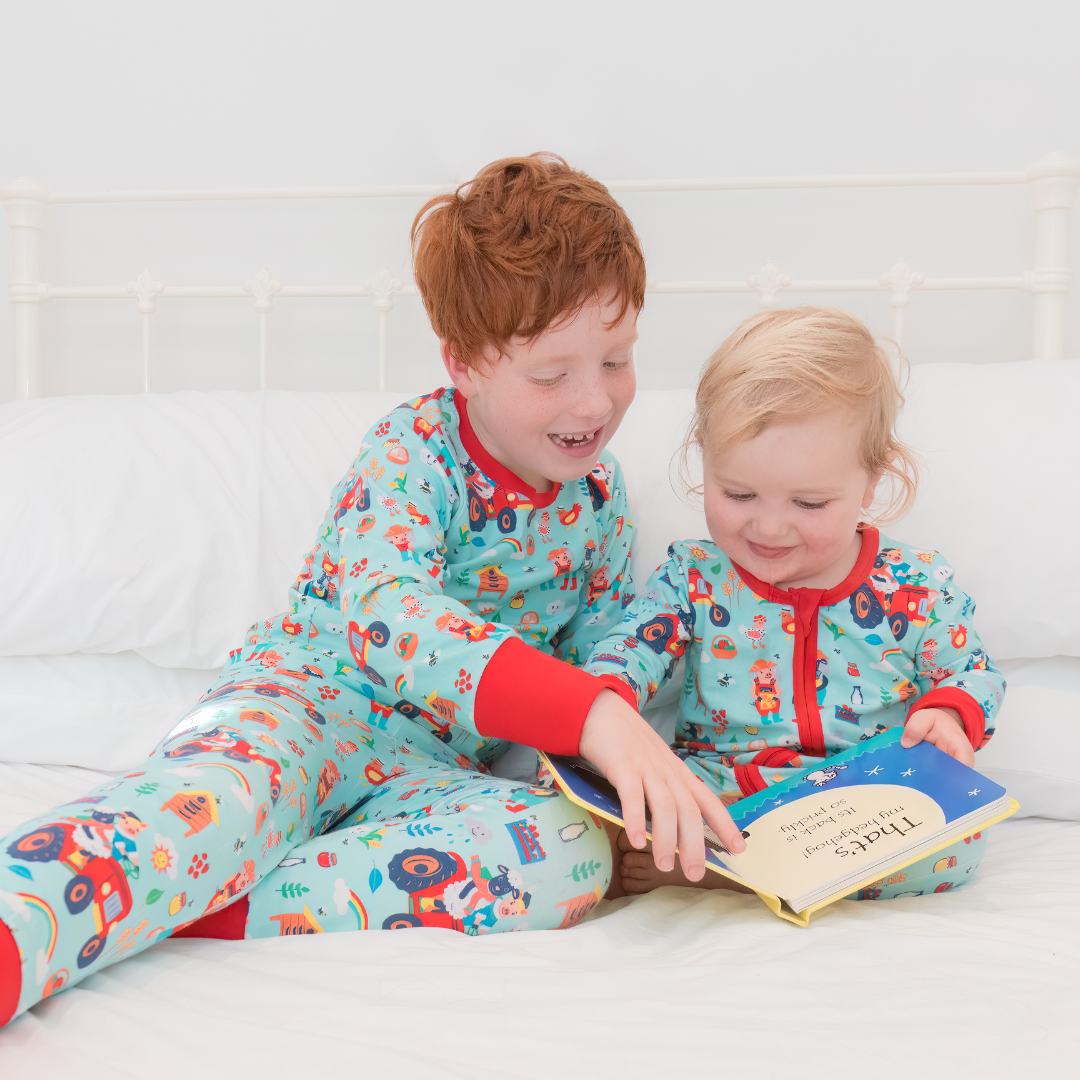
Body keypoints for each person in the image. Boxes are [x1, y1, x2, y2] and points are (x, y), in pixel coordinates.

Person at [0, 153, 744, 1027]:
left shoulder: (600, 499)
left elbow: (602, 653)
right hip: (302, 707)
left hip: (428, 775)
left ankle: (205, 905)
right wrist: (589, 712)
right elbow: (392, 614)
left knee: (567, 853)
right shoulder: (414, 453)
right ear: (463, 362)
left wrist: (636, 769)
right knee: (218, 804)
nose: (596, 400)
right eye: (552, 374)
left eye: (617, 359)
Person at [583, 306, 1005, 900]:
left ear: (873, 479)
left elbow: (973, 671)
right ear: (703, 455)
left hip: (861, 798)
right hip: (725, 785)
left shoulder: (915, 586)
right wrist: (610, 702)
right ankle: (734, 859)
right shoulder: (693, 576)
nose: (771, 527)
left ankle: (724, 875)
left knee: (959, 844)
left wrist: (952, 713)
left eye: (809, 504)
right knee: (608, 812)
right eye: (739, 493)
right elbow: (629, 646)